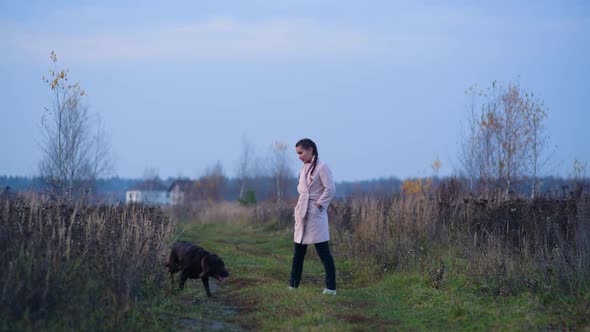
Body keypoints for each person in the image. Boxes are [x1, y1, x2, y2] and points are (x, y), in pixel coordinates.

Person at [289, 138, 337, 295]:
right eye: (297, 153)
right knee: (298, 253)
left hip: (315, 216)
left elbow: (330, 189)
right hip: (302, 215)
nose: (299, 156)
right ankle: (293, 285)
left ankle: (331, 288)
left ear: (310, 150)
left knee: (324, 253)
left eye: (301, 152)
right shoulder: (303, 169)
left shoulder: (322, 167)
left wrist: (318, 205)